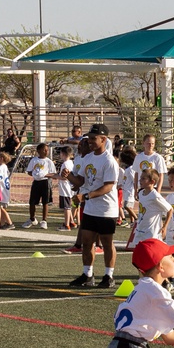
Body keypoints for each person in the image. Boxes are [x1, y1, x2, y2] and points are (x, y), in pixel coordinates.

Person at [62, 123, 121, 289]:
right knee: (87, 242)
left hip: (106, 209)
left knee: (107, 243)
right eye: (89, 138)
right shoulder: (88, 158)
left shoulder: (109, 161)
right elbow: (81, 180)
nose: (90, 141)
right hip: (90, 208)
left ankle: (108, 276)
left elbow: (109, 186)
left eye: (93, 138)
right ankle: (87, 275)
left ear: (103, 139)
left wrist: (86, 195)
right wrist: (68, 177)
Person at [131, 169, 172, 253]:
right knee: (139, 255)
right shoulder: (141, 193)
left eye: (143, 178)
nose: (140, 180)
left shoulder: (155, 196)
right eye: (140, 178)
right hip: (140, 229)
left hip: (151, 232)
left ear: (152, 182)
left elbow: (170, 209)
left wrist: (164, 227)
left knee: (151, 255)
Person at [23, 143, 56, 229]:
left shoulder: (49, 162)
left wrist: (44, 174)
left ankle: (44, 220)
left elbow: (53, 173)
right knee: (32, 202)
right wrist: (35, 174)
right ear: (39, 151)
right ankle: (32, 219)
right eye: (44, 150)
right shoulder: (34, 160)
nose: (46, 151)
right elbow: (29, 171)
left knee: (45, 202)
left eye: (47, 150)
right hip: (36, 182)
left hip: (45, 183)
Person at [51, 146, 76, 231]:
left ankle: (67, 225)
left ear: (64, 154)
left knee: (66, 207)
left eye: (61, 153)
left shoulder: (66, 164)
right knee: (67, 205)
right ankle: (71, 222)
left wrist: (52, 175)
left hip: (66, 188)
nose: (60, 155)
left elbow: (64, 177)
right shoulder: (70, 162)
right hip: (67, 187)